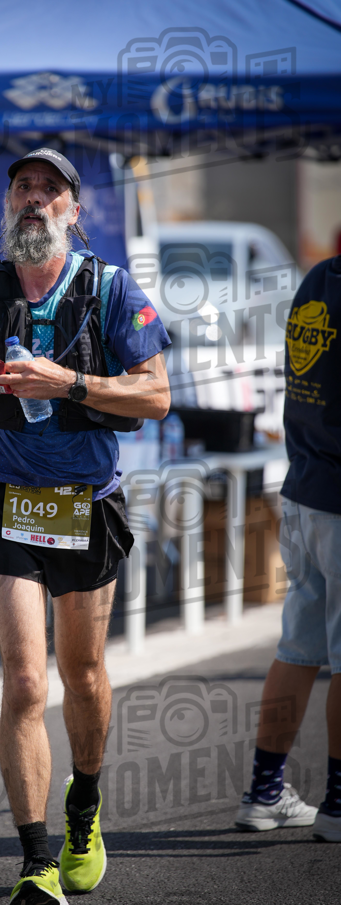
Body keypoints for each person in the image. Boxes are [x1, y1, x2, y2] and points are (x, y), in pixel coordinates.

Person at [0, 148, 171, 903]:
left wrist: (69, 381)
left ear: (73, 209)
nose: (34, 199)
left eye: (49, 190)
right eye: (23, 188)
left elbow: (156, 396)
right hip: (5, 496)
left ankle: (84, 804)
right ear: (8, 206)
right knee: (25, 679)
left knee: (83, 674)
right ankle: (35, 861)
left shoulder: (110, 288)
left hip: (83, 501)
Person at [235, 254, 341, 842]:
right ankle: (338, 804)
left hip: (302, 487)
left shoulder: (318, 279)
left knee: (299, 647)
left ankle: (264, 790)